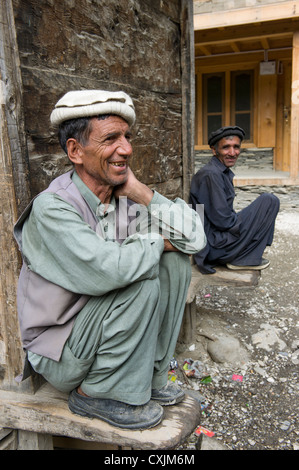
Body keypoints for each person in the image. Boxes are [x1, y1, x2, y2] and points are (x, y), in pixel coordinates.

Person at [14, 89, 206, 430]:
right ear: (75, 150)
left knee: (174, 263)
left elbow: (194, 240)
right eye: (111, 138)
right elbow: (108, 270)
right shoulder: (52, 208)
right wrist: (157, 243)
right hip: (60, 349)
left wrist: (142, 192)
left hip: (98, 332)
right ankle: (95, 394)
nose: (127, 149)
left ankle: (150, 378)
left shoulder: (124, 200)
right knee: (141, 276)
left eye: (127, 137)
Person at [189, 126, 279, 274]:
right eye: (226, 148)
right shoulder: (211, 175)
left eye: (236, 147)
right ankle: (241, 256)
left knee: (268, 204)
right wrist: (253, 224)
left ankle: (245, 255)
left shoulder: (220, 171)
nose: (232, 153)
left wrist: (251, 222)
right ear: (214, 150)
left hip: (219, 240)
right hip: (214, 245)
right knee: (268, 201)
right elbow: (223, 221)